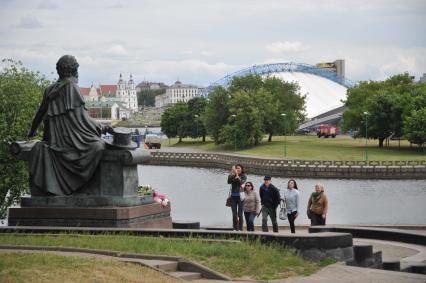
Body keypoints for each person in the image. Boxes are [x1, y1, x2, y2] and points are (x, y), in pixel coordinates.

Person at [27, 55, 107, 196]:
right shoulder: (72, 87)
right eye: (76, 69)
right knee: (98, 146)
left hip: (54, 141)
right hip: (70, 141)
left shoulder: (50, 90)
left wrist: (31, 132)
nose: (78, 72)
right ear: (72, 71)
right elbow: (83, 120)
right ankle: (79, 186)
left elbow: (39, 114)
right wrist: (102, 127)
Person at [227, 164, 247, 231]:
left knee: (240, 213)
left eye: (238, 168)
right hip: (233, 197)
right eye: (236, 168)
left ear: (241, 169)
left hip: (241, 197)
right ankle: (235, 228)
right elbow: (229, 181)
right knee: (234, 213)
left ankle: (241, 228)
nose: (237, 169)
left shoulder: (244, 176)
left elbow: (240, 183)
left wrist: (237, 175)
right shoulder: (232, 175)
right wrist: (232, 173)